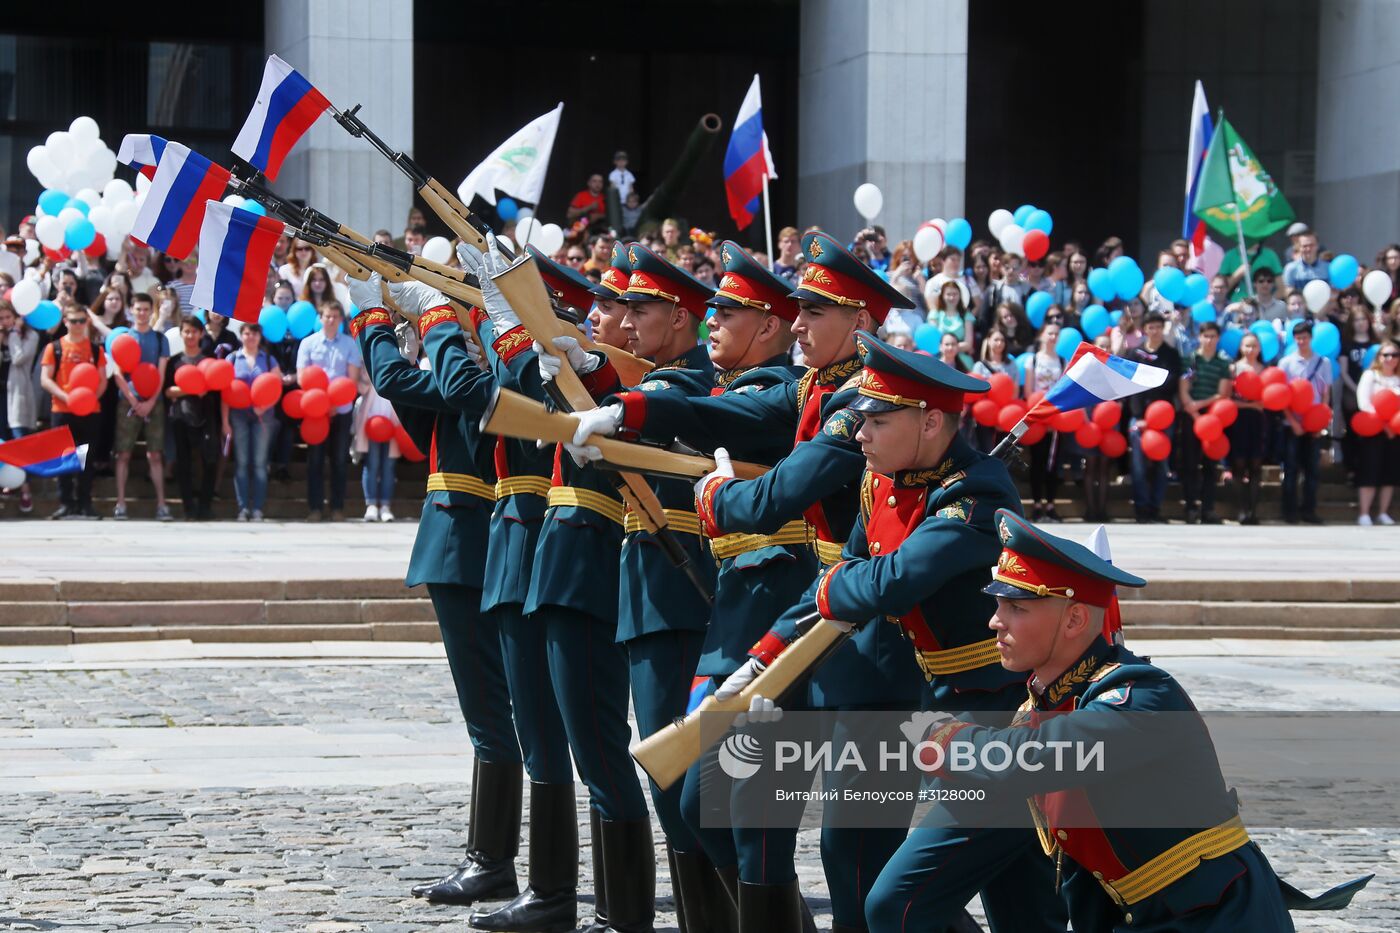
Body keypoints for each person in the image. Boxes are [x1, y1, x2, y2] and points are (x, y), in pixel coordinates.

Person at [580, 231, 925, 929]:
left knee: (857, 855)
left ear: (860, 321)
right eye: (796, 309)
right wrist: (628, 409)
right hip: (816, 629)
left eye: (814, 312)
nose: (797, 324)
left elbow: (778, 495)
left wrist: (714, 497)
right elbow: (724, 411)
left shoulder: (864, 398)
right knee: (709, 797)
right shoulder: (813, 388)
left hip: (870, 644)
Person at [719, 335, 1063, 933]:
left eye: (877, 419)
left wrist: (835, 589)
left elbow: (894, 580)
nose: (859, 434)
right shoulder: (882, 480)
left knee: (1007, 897)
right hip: (934, 704)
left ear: (930, 422)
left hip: (998, 713)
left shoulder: (977, 494)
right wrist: (767, 653)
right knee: (871, 866)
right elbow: (844, 572)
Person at [916, 511, 1372, 931]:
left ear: (1075, 619)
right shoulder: (1049, 701)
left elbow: (1034, 757)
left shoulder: (1141, 698)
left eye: (1017, 608)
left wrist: (942, 735)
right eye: (999, 606)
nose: (996, 622)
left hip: (1216, 920)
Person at [342, 276, 533, 920]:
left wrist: (377, 315)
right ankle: (491, 855)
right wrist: (388, 323)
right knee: (492, 713)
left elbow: (412, 382)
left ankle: (493, 861)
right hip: (468, 550)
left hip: (469, 550)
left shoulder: (486, 387)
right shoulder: (471, 383)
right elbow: (402, 388)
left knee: (489, 712)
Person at [40, 306, 108, 519]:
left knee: (86, 458)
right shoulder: (54, 347)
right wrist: (67, 397)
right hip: (62, 409)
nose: (77, 325)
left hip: (90, 411)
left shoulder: (96, 350)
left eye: (81, 320)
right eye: (73, 321)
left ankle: (85, 503)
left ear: (86, 322)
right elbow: (45, 379)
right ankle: (66, 503)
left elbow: (103, 380)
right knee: (63, 458)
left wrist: (88, 400)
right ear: (66, 322)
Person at [297, 300, 362, 521]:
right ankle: (314, 508)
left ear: (341, 320)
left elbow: (352, 379)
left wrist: (334, 402)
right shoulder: (307, 343)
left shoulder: (350, 344)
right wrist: (322, 402)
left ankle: (337, 508)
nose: (331, 320)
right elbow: (301, 377)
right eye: (327, 316)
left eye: (335, 316)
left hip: (341, 409)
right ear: (320, 318)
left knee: (339, 460)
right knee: (314, 460)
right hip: (315, 410)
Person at [111, 293, 172, 521]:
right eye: (138, 309)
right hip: (128, 401)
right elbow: (117, 373)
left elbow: (162, 373)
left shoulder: (159, 339)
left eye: (146, 309)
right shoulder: (123, 338)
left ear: (152, 311)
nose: (142, 313)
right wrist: (134, 400)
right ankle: (120, 503)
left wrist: (150, 402)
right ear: (131, 310)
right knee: (123, 454)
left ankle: (162, 504)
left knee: (155, 454)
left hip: (153, 402)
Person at [1125, 311, 1181, 523]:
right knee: (1138, 465)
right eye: (1151, 327)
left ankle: (1155, 508)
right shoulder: (1135, 353)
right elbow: (1131, 385)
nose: (1155, 331)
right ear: (1145, 329)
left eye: (1159, 327)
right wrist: (1139, 415)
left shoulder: (1171, 354)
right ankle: (1141, 509)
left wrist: (1149, 382)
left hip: (1163, 417)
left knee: (1161, 464)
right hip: (1139, 417)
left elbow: (1171, 381)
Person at [221, 322, 280, 522]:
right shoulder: (231, 359)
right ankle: (243, 507)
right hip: (238, 416)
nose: (250, 337)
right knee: (242, 462)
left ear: (259, 337)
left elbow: (276, 388)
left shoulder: (269, 360)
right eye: (247, 333)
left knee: (260, 463)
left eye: (254, 334)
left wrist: (263, 407)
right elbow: (225, 392)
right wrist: (224, 421)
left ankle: (257, 508)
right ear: (241, 336)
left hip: (263, 417)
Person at [164, 316, 219, 521]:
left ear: (201, 334)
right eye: (186, 332)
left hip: (207, 416)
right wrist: (189, 388)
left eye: (194, 332)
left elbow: (217, 384)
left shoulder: (209, 359)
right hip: (181, 416)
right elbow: (167, 391)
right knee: (184, 463)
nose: (190, 336)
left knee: (210, 461)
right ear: (181, 334)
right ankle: (188, 508)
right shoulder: (175, 361)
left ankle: (205, 507)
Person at [1178, 320, 1232, 524]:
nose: (1209, 340)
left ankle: (1208, 508)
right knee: (1190, 463)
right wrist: (1194, 413)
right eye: (1205, 336)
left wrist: (1200, 406)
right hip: (1191, 417)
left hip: (1213, 418)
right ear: (1199, 337)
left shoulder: (1222, 363)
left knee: (1210, 465)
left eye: (1213, 336)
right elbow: (1183, 388)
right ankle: (1191, 507)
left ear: (1218, 338)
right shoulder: (1190, 359)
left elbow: (1222, 393)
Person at [1277, 321, 1332, 524]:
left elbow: (1326, 393)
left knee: (1312, 470)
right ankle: (1289, 510)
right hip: (1292, 423)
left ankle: (1309, 510)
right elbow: (1281, 396)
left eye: (1305, 337)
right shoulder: (1286, 363)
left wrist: (1321, 422)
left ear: (1311, 338)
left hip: (1314, 422)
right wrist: (1292, 421)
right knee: (1291, 469)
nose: (1302, 341)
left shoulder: (1323, 362)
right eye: (1298, 338)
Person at [1353, 340, 1400, 525]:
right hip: (1373, 430)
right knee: (1369, 470)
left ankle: (1383, 512)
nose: (1390, 359)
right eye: (1386, 355)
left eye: (1394, 355)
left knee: (1390, 472)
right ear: (1379, 357)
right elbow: (1363, 403)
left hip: (1395, 432)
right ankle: (1364, 513)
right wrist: (1384, 424)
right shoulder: (1370, 376)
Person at [0, 300, 38, 513]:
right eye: (1, 319)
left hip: (17, 396)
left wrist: (14, 334)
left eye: (8, 318)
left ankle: (25, 489)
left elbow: (18, 358)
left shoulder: (29, 336)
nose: (5, 322)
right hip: (0, 396)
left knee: (18, 441)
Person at [1025, 321, 1065, 521]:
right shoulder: (1032, 360)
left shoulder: (1062, 360)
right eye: (1050, 333)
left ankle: (1051, 504)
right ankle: (1037, 504)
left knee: (1053, 464)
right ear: (1042, 335)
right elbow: (1029, 391)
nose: (1053, 337)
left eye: (1056, 334)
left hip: (1055, 421)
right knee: (1037, 462)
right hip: (1037, 418)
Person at [1229, 332, 1269, 525]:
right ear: (1240, 348)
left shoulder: (1266, 370)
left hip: (1259, 422)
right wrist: (1252, 405)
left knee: (1255, 465)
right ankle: (1241, 509)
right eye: (1247, 346)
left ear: (1259, 348)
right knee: (1238, 463)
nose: (1250, 350)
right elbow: (1228, 399)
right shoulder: (1234, 369)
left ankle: (1253, 510)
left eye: (1254, 346)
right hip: (1238, 420)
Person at [353, 383, 398, 523]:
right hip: (371, 423)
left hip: (394, 422)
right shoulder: (368, 363)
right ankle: (371, 505)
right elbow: (360, 386)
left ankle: (385, 506)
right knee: (372, 464)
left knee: (389, 467)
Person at [927, 279, 975, 362]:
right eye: (948, 294)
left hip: (962, 360)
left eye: (955, 294)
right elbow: (932, 341)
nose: (952, 297)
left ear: (960, 295)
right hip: (939, 359)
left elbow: (968, 344)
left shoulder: (966, 315)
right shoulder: (935, 314)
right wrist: (950, 349)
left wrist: (950, 349)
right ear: (942, 296)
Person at [1283, 231, 1329, 295]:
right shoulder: (1291, 269)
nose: (1308, 249)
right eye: (1305, 246)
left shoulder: (1328, 268)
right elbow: (1289, 295)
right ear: (1299, 248)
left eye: (1311, 245)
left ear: (1317, 246)